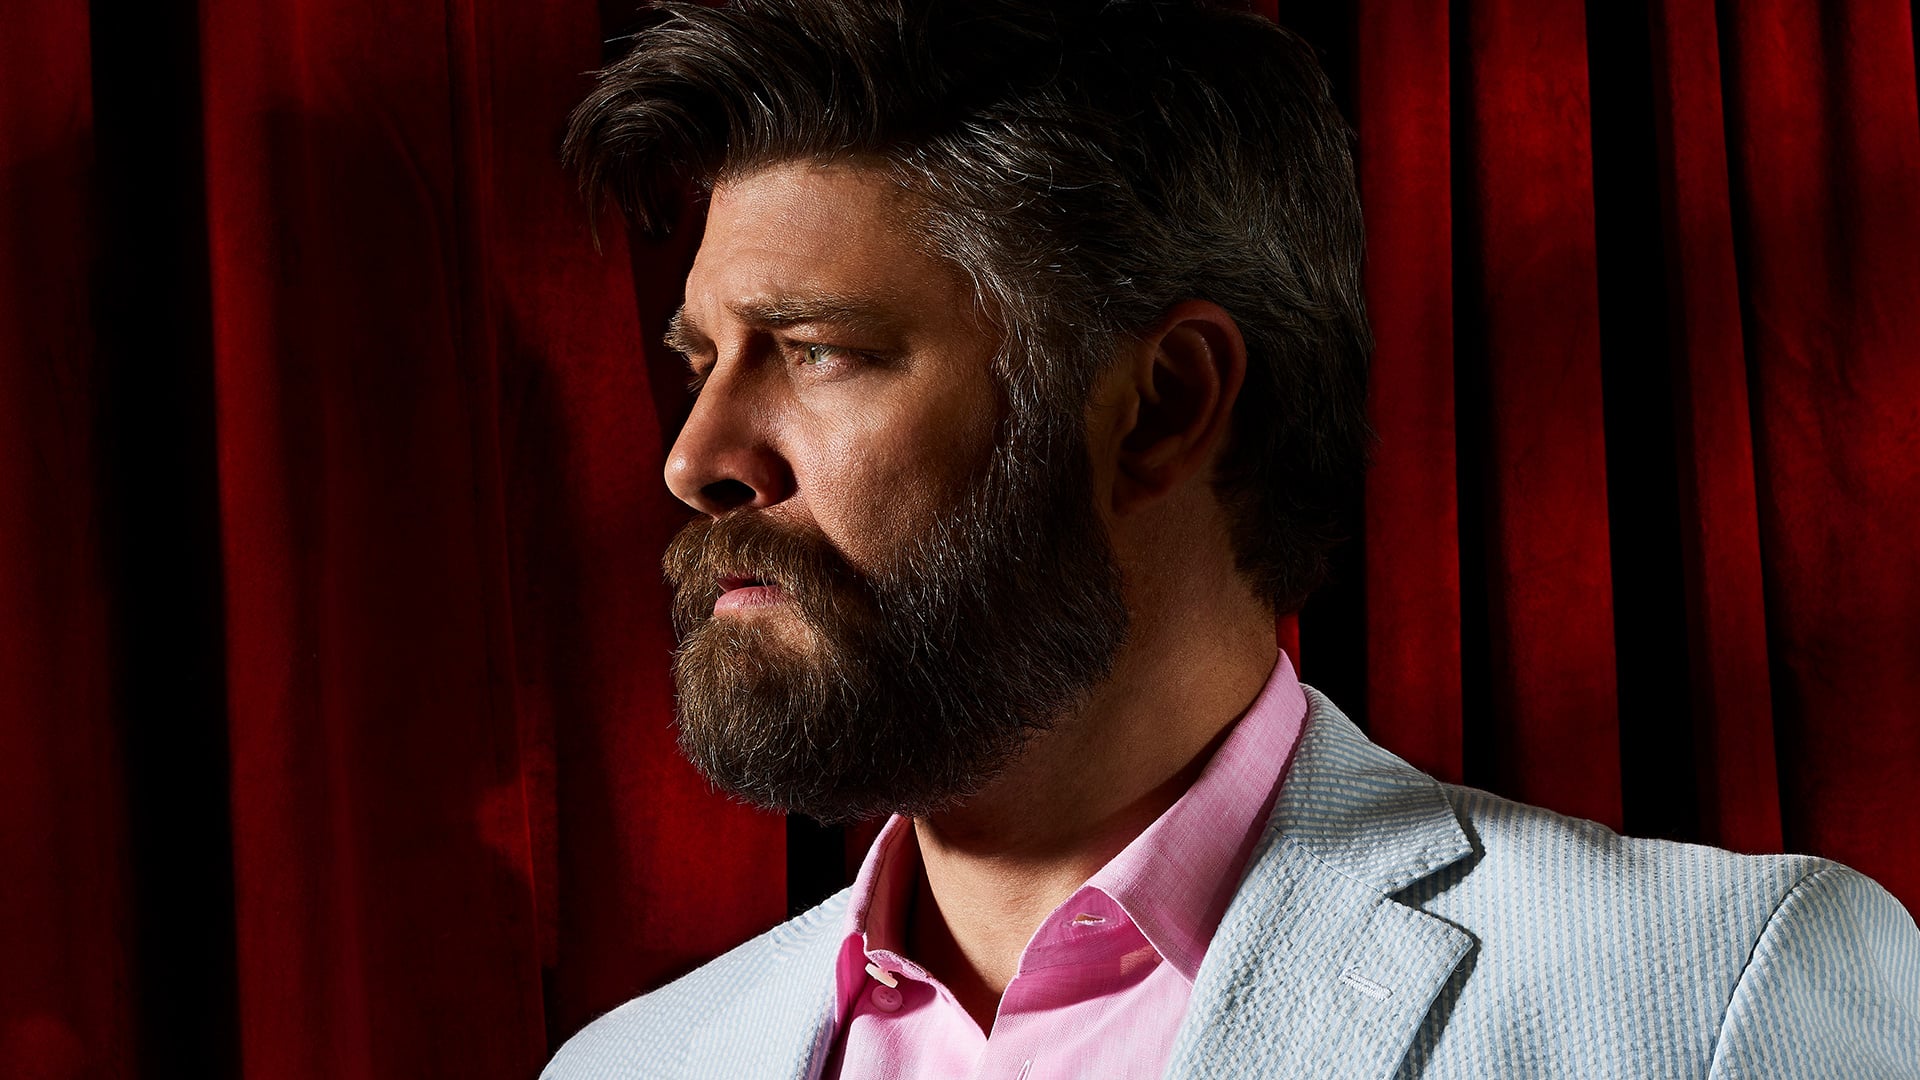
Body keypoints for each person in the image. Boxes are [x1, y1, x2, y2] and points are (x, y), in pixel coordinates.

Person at [544, 1, 1920, 1076]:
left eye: (818, 352)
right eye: (699, 362)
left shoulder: (1708, 999)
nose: (694, 460)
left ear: (1164, 407)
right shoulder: (628, 1067)